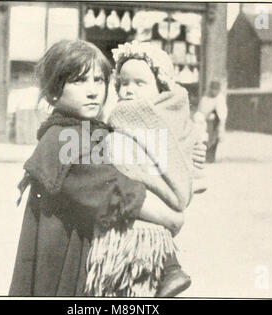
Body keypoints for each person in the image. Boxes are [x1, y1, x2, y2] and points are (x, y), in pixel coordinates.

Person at [8, 40, 185, 296]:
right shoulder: (62, 138)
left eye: (99, 80)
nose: (93, 92)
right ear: (53, 92)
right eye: (79, 81)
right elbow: (111, 188)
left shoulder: (90, 131)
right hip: (67, 272)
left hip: (88, 265)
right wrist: (170, 218)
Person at [85, 41, 206, 297]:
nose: (129, 91)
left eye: (139, 84)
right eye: (124, 83)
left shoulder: (172, 119)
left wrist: (192, 168)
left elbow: (185, 170)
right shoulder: (117, 116)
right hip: (129, 222)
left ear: (161, 87)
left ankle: (169, 269)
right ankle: (169, 269)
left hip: (149, 225)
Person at [194, 80, 228, 163]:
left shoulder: (220, 98)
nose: (213, 91)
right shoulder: (206, 98)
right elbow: (201, 109)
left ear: (219, 90)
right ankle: (203, 157)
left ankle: (210, 157)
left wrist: (221, 125)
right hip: (204, 122)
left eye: (215, 89)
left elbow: (222, 113)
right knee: (203, 138)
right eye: (212, 89)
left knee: (213, 139)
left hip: (214, 122)